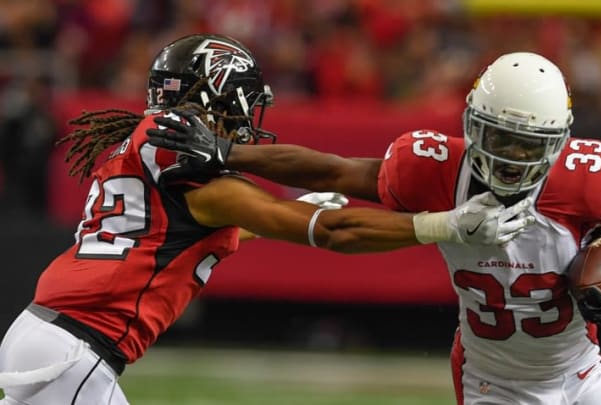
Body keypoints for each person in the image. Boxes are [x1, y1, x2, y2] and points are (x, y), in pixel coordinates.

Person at [0, 35, 534, 405]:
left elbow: (178, 231)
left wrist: (300, 208)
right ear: (213, 94)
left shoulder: (138, 150)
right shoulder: (189, 168)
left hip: (48, 335)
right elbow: (330, 233)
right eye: (240, 104)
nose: (244, 120)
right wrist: (440, 225)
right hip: (74, 349)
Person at [147, 51, 601, 404]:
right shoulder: (434, 168)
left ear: (559, 143)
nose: (512, 157)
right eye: (499, 138)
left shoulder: (588, 180)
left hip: (581, 370)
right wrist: (229, 152)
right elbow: (333, 169)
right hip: (492, 381)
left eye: (528, 145)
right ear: (472, 126)